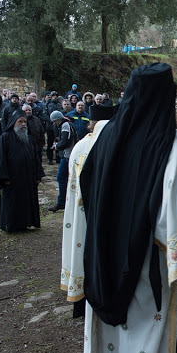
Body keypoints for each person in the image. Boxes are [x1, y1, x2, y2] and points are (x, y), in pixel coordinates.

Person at [75, 63, 177, 353]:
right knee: (148, 345)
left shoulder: (102, 137)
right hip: (145, 268)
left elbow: (86, 191)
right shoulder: (174, 146)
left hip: (102, 260)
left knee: (111, 347)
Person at [61, 104, 115, 319]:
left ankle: (80, 301)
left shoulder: (79, 146)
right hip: (100, 212)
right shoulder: (110, 144)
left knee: (79, 247)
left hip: (79, 210)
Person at [0, 109, 45, 232]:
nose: (23, 124)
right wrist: (4, 178)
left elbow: (35, 158)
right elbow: (1, 159)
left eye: (25, 122)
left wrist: (37, 176)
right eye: (20, 121)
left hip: (28, 178)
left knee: (27, 201)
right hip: (12, 179)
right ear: (13, 123)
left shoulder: (29, 139)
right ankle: (12, 226)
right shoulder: (5, 138)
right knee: (13, 203)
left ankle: (26, 223)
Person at [48, 110, 77, 212]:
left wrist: (57, 146)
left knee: (61, 177)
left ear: (57, 119)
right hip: (68, 155)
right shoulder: (67, 124)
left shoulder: (65, 125)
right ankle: (66, 201)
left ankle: (62, 202)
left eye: (54, 121)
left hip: (68, 156)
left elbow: (66, 141)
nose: (54, 124)